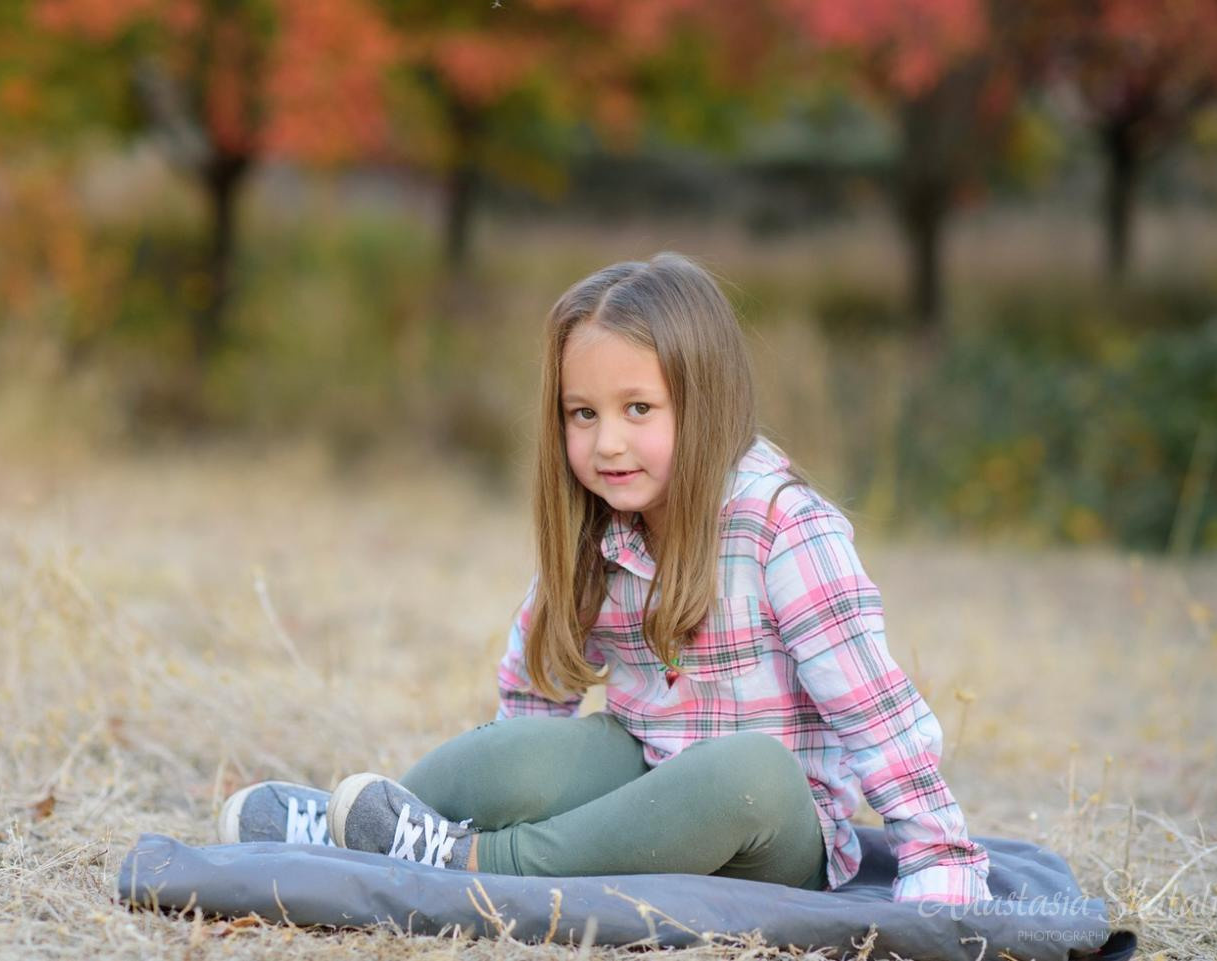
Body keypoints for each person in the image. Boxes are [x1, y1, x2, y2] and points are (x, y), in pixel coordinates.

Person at [218, 252, 993, 904]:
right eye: (582, 413)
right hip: (639, 778)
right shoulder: (599, 531)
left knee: (745, 769)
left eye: (638, 408)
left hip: (770, 827)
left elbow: (876, 714)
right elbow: (530, 703)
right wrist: (514, 779)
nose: (607, 443)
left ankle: (476, 866)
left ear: (705, 402)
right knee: (518, 750)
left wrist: (939, 855)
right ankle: (349, 826)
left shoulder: (783, 528)